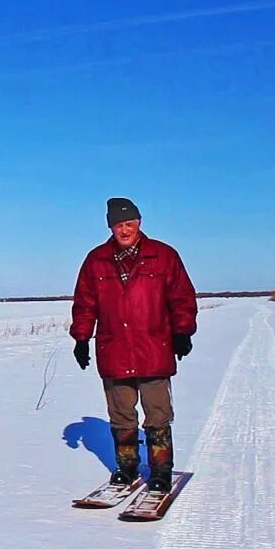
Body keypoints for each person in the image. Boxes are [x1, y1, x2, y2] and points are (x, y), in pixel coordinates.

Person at [69, 197, 197, 493]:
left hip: (154, 346)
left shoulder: (163, 256)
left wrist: (182, 332)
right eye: (118, 225)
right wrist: (81, 339)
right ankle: (126, 469)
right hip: (114, 348)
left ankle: (160, 471)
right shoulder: (96, 260)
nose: (124, 230)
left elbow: (182, 298)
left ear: (139, 222)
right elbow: (85, 304)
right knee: (121, 415)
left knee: (158, 414)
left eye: (129, 223)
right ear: (110, 226)